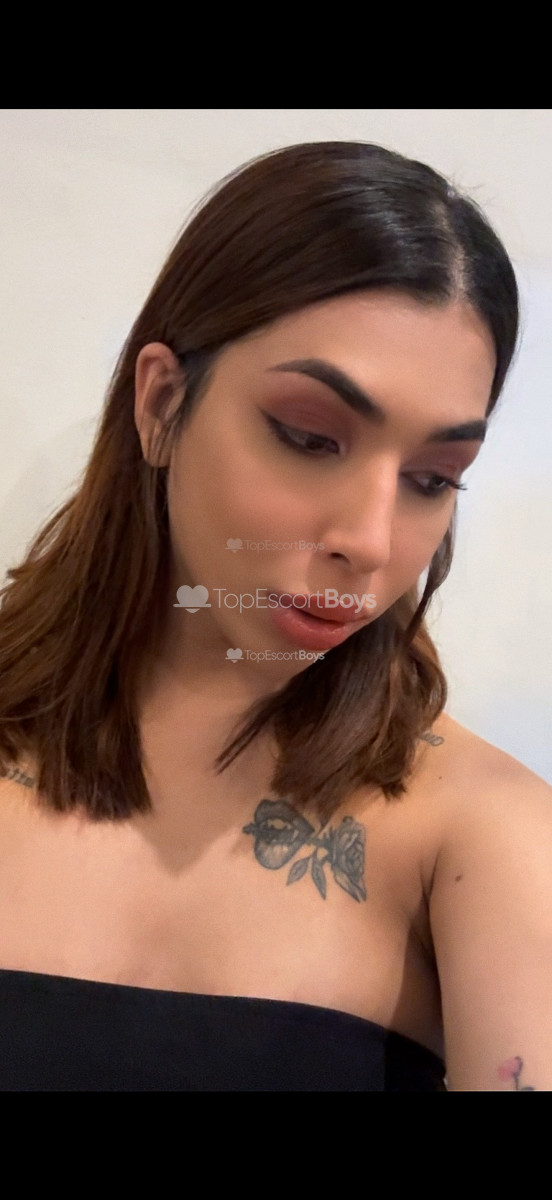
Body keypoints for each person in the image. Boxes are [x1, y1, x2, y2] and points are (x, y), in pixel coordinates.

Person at [0, 140, 550, 1092]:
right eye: (308, 436)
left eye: (432, 478)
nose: (369, 541)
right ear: (161, 403)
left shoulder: (484, 837)